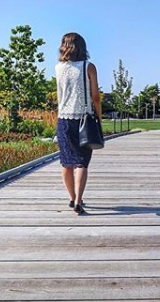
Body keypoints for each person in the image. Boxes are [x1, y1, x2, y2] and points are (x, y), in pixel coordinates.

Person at [55, 33, 102, 215]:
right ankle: (78, 201)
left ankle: (72, 197)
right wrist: (98, 117)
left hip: (63, 119)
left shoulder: (58, 68)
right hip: (84, 119)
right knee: (82, 162)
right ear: (82, 47)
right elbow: (95, 97)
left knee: (66, 163)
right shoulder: (88, 67)